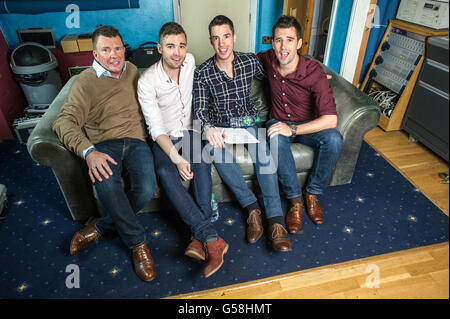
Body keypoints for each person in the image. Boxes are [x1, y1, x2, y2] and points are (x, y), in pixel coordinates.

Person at [53, 25, 158, 282]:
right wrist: (89, 152)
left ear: (124, 49)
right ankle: (138, 244)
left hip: (136, 141)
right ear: (95, 54)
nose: (114, 55)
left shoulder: (132, 70)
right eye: (106, 50)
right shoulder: (84, 82)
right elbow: (63, 122)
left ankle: (99, 227)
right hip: (103, 145)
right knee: (107, 185)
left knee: (145, 189)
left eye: (118, 48)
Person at [137, 22, 228, 278]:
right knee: (166, 174)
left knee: (201, 163)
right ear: (159, 48)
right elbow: (155, 129)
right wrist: (176, 158)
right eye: (169, 46)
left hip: (190, 133)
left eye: (181, 45)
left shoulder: (190, 61)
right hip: (165, 138)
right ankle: (211, 236)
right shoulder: (147, 82)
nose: (176, 52)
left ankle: (199, 239)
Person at [193, 15, 291, 252]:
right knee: (214, 150)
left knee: (264, 156)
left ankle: (276, 222)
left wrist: (308, 76)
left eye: (226, 36)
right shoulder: (202, 72)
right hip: (221, 127)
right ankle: (252, 209)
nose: (222, 44)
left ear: (234, 37)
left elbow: (277, 76)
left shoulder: (250, 62)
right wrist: (208, 128)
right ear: (210, 41)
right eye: (216, 38)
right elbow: (199, 110)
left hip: (249, 123)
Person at [258, 15, 343, 233]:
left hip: (305, 125)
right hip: (278, 122)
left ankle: (312, 193)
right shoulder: (267, 59)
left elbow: (331, 120)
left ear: (298, 43)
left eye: (289, 40)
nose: (283, 47)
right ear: (272, 43)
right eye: (278, 40)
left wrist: (294, 129)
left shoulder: (314, 72)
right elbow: (238, 62)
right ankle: (296, 202)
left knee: (334, 139)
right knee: (276, 137)